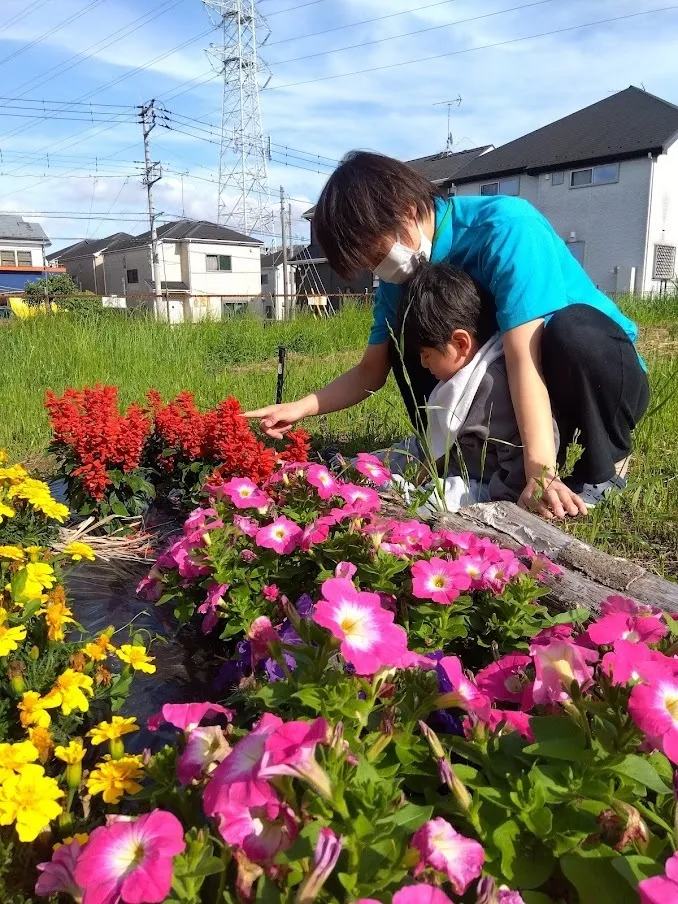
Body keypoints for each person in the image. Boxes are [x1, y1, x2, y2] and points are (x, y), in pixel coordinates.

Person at [246, 152, 650, 520]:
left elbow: (525, 357)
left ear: (406, 212)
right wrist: (300, 408)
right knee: (415, 335)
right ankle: (453, 451)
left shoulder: (505, 227)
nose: (377, 269)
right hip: (515, 370)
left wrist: (539, 473)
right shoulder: (400, 276)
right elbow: (371, 372)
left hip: (594, 373)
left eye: (374, 254)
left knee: (571, 331)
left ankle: (606, 462)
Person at [388, 262, 559, 507]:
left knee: (438, 500)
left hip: (484, 484)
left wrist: (504, 498)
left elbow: (517, 459)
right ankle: (362, 468)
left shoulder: (492, 387)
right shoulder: (461, 380)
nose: (423, 364)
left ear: (461, 343)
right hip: (458, 466)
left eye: (426, 354)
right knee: (403, 454)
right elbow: (439, 440)